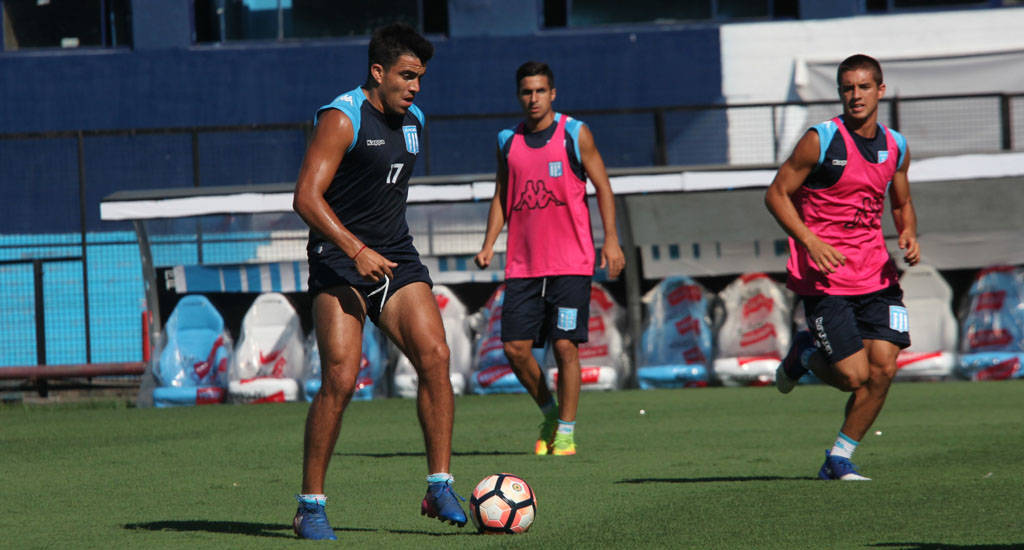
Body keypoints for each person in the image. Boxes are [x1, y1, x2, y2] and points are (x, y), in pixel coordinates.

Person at [291, 23, 465, 540]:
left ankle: (439, 485)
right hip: (340, 259)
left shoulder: (415, 121)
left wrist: (379, 250)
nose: (415, 86)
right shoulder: (341, 117)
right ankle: (310, 506)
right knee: (342, 379)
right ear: (378, 72)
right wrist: (355, 249)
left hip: (394, 258)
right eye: (406, 76)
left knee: (436, 356)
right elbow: (305, 197)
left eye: (421, 77)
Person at [765, 54, 920, 481]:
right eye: (848, 88)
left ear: (880, 90)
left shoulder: (897, 146)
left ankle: (839, 457)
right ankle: (805, 353)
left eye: (864, 87)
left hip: (877, 275)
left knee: (884, 367)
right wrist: (810, 240)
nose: (856, 95)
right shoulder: (822, 140)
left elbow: (901, 201)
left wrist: (908, 232)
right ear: (840, 93)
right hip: (825, 277)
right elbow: (776, 194)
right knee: (854, 376)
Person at [474, 61, 626, 457]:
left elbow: (604, 187)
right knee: (514, 348)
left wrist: (611, 241)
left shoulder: (574, 134)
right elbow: (501, 195)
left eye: (540, 91)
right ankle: (549, 411)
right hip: (523, 265)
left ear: (552, 93)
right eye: (527, 92)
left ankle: (567, 432)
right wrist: (489, 243)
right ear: (518, 95)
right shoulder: (507, 140)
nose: (533, 98)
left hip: (571, 264)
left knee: (565, 346)